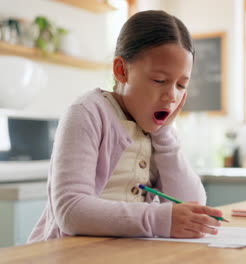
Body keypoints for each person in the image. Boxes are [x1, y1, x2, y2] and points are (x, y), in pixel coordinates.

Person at [28, 10, 223, 242]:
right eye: (159, 80)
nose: (171, 96)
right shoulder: (88, 113)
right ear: (121, 70)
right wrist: (157, 219)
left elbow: (193, 203)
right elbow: (71, 210)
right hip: (68, 253)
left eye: (181, 85)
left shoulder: (156, 131)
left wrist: (164, 134)